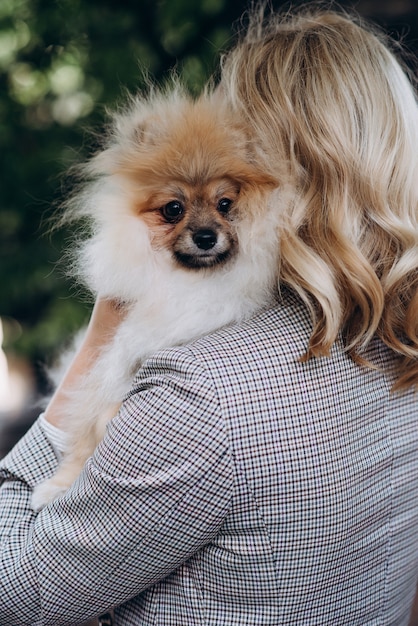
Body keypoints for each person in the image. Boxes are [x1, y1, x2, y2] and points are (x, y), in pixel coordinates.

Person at [1, 4, 418, 625]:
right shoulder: (403, 349)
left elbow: (16, 592)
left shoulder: (200, 396)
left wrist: (99, 341)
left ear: (270, 176)